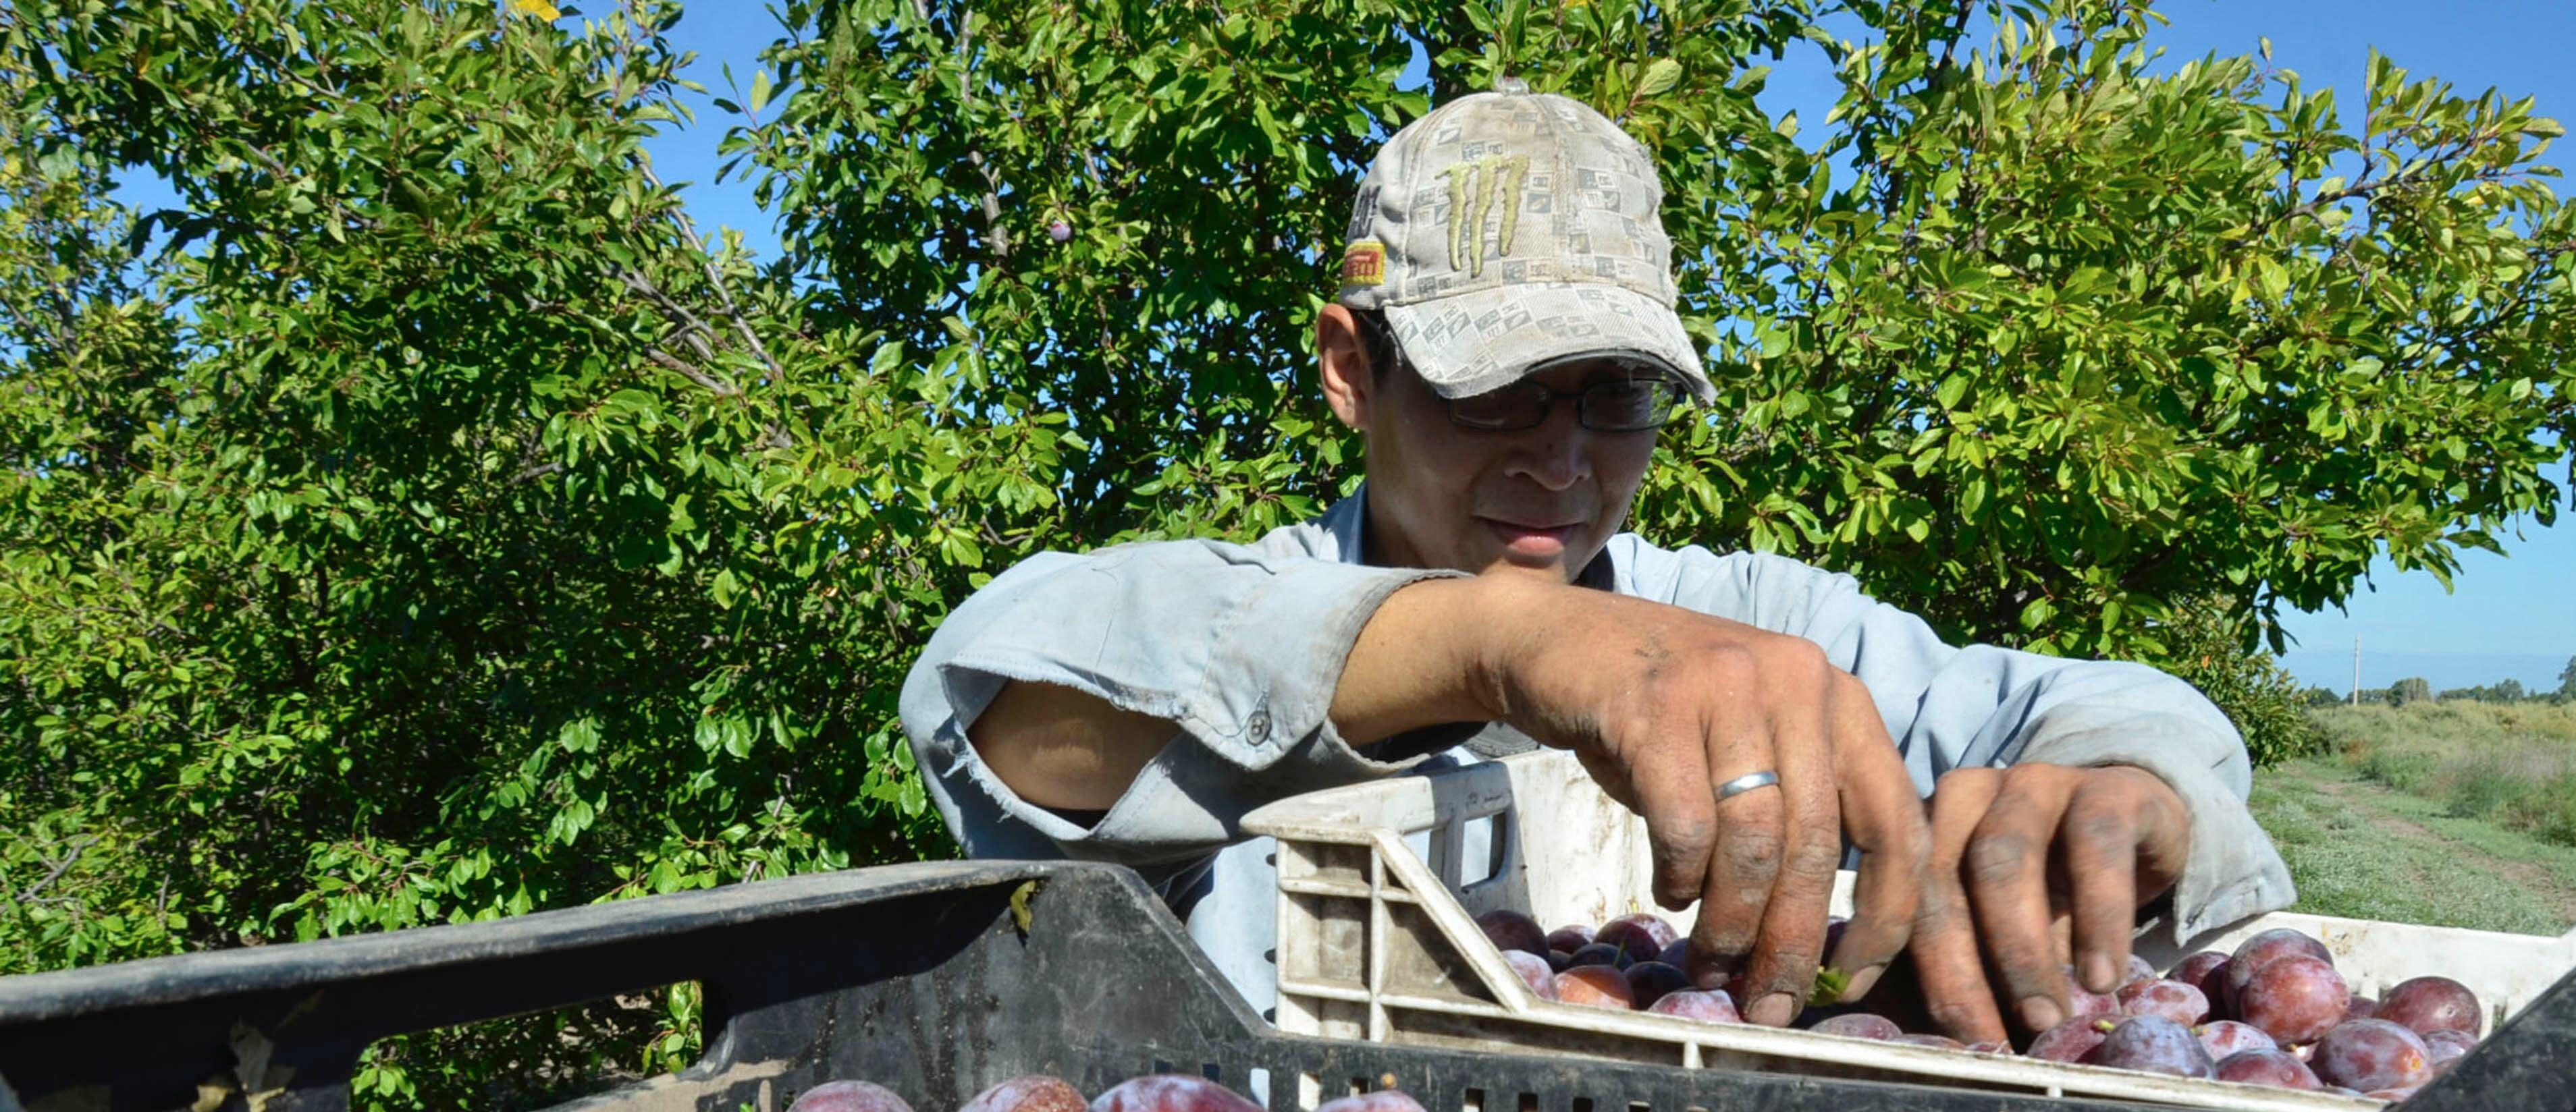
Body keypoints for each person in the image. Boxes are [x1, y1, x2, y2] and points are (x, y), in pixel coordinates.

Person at [901, 83, 2291, 1043]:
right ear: (1348, 368)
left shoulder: (1742, 624)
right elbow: (1004, 701)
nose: (1562, 467)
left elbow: (2087, 702)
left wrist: (2126, 787)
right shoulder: (1250, 599)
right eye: (1493, 390)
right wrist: (1496, 639)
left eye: (1611, 396)